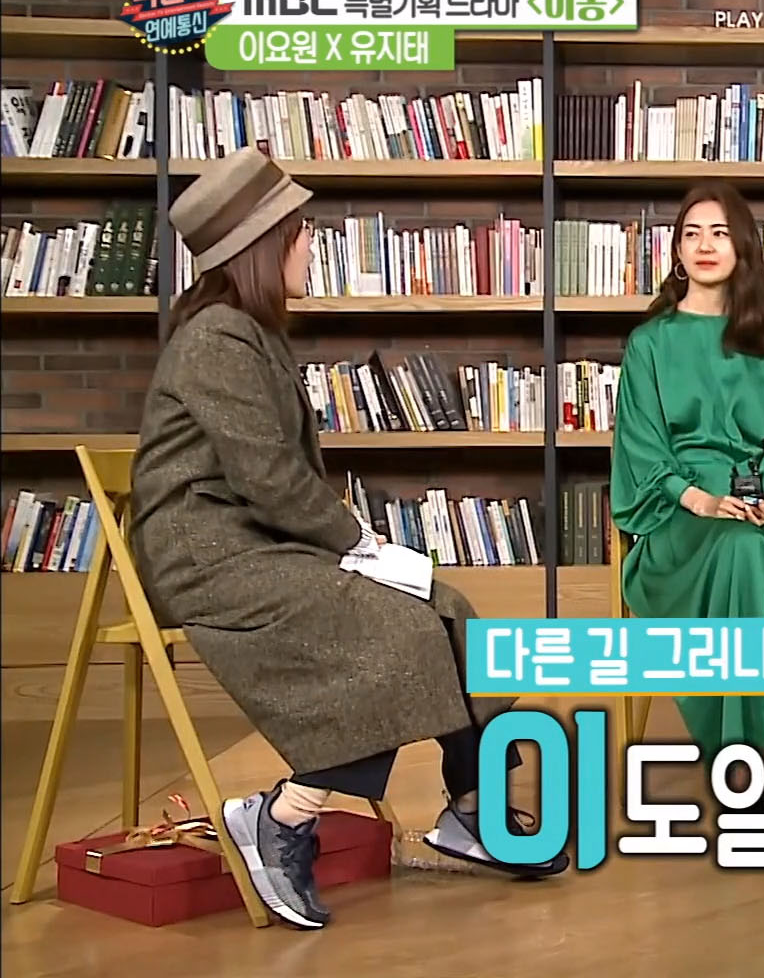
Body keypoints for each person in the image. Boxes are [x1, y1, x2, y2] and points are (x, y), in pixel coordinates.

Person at [128, 148, 566, 933]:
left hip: (258, 541)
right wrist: (360, 544)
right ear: (262, 247)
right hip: (211, 557)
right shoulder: (217, 340)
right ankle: (283, 816)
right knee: (398, 630)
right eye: (300, 234)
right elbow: (270, 477)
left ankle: (471, 808)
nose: (309, 247)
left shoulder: (251, 333)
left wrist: (362, 547)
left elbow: (276, 483)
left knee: (448, 608)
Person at [610, 181, 764, 789]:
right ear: (676, 251)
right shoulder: (649, 343)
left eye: (719, 233)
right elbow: (643, 450)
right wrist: (703, 500)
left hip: (763, 499)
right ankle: (747, 755)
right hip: (682, 512)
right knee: (742, 550)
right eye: (691, 234)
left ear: (742, 247)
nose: (705, 245)